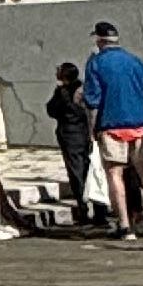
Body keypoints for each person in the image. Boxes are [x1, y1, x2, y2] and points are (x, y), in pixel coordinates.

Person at [80, 21, 143, 237]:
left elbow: (93, 101)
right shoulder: (137, 62)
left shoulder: (96, 64)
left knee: (115, 175)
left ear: (99, 40)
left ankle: (125, 226)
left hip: (111, 124)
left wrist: (92, 130)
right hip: (139, 124)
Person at [46, 61, 96, 224]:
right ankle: (98, 208)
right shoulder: (83, 88)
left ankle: (83, 207)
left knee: (77, 172)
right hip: (85, 132)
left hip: (70, 134)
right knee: (89, 169)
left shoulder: (64, 92)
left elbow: (52, 110)